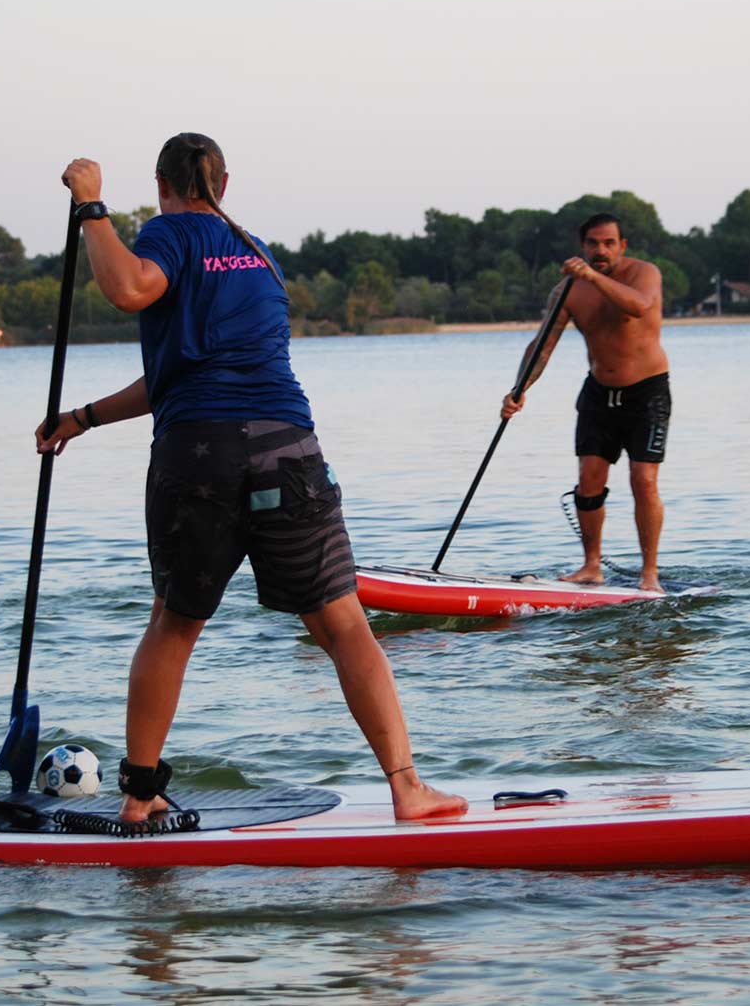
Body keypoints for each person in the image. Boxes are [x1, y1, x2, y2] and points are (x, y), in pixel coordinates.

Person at [37, 133, 465, 822]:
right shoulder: (261, 256)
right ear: (225, 183)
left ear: (162, 184)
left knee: (174, 626)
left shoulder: (169, 234)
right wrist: (83, 417)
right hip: (287, 448)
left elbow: (126, 288)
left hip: (199, 458)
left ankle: (139, 802)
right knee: (344, 625)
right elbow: (181, 371)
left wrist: (91, 205)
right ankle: (407, 788)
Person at [500, 213, 672, 591]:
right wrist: (519, 389)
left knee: (643, 482)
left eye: (609, 243)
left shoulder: (645, 274)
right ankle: (591, 566)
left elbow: (639, 307)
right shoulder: (568, 290)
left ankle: (649, 575)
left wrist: (594, 278)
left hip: (648, 394)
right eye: (593, 243)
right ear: (582, 246)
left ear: (622, 246)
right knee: (588, 481)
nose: (600, 250)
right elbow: (542, 347)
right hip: (597, 394)